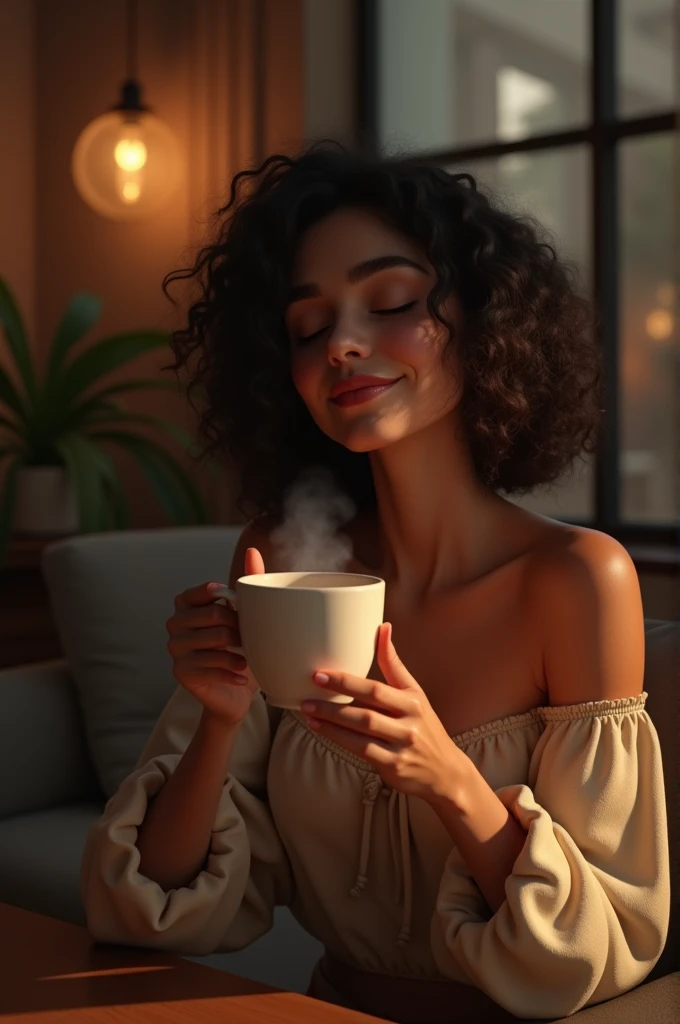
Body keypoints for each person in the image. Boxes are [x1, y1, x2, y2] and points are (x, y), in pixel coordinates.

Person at [80, 143, 670, 1023]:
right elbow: (147, 907)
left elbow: (603, 953)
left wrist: (450, 779)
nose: (344, 344)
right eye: (308, 328)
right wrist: (217, 718)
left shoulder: (576, 582)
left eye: (391, 302)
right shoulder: (281, 558)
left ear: (484, 319)